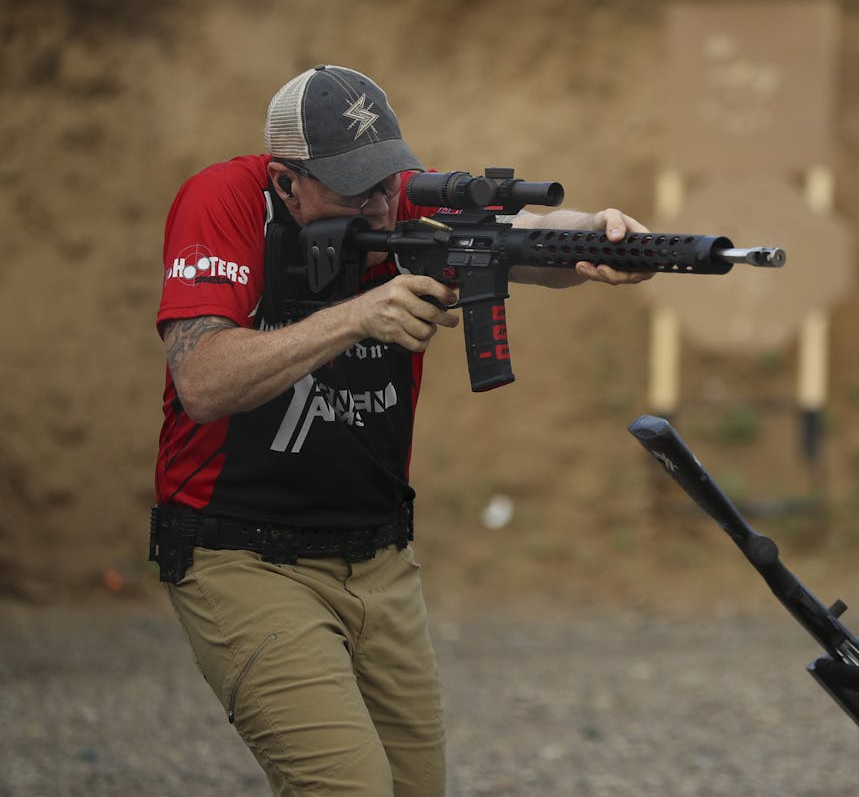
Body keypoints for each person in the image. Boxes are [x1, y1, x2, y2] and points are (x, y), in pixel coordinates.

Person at [151, 64, 651, 796]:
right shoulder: (224, 201)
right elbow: (200, 379)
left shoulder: (403, 195)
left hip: (380, 559)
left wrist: (600, 233)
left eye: (388, 177)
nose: (384, 205)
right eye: (356, 188)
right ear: (288, 184)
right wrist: (360, 314)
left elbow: (522, 229)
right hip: (241, 556)